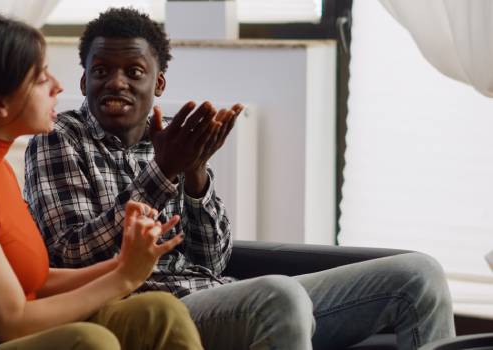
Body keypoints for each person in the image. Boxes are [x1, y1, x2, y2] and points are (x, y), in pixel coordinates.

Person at [24, 7, 455, 350]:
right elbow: (71, 253)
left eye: (133, 72)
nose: (115, 82)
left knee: (419, 275)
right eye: (101, 70)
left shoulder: (175, 136)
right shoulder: (59, 139)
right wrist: (163, 172)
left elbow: (212, 260)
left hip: (220, 296)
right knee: (279, 296)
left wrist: (196, 175)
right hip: (151, 310)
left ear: (158, 82)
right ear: (84, 78)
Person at [0, 12, 203, 350]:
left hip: (15, 328)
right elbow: (11, 321)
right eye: (40, 79)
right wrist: (123, 277)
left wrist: (124, 263)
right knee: (88, 341)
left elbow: (36, 280)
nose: (58, 85)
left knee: (161, 311)